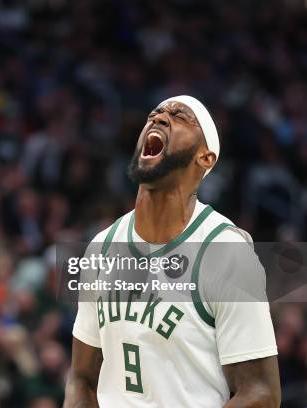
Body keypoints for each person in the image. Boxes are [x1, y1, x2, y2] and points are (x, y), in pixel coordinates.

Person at [64, 96, 281, 407]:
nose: (160, 118)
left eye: (180, 116)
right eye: (154, 113)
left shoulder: (226, 252)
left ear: (206, 158)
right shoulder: (101, 247)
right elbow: (82, 380)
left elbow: (262, 393)